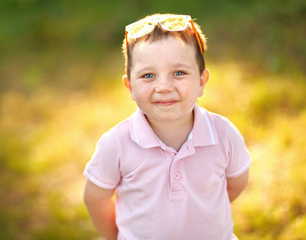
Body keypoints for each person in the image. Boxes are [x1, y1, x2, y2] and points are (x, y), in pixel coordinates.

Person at [83, 13, 252, 240]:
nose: (163, 86)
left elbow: (236, 183)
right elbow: (95, 197)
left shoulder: (223, 134)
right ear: (130, 86)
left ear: (201, 82)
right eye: (148, 75)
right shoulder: (117, 144)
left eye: (179, 73)